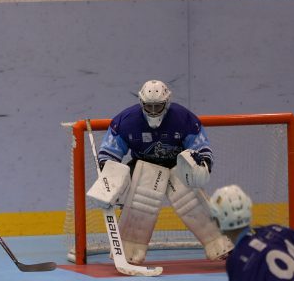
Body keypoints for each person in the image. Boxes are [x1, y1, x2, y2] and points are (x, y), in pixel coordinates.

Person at [88, 79, 232, 263]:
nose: (154, 111)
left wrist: (202, 164)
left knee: (191, 199)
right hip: (143, 169)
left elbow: (202, 148)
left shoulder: (183, 118)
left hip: (177, 167)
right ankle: (129, 252)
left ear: (167, 102)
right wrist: (109, 179)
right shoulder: (126, 120)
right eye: (149, 106)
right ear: (141, 102)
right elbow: (108, 154)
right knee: (140, 201)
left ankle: (220, 244)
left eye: (158, 106)